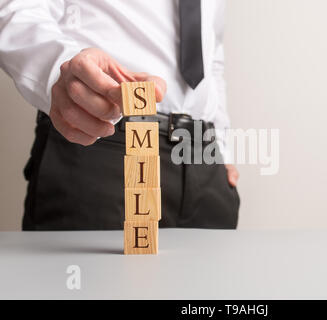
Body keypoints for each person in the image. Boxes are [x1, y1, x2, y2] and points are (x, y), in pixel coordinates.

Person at [0, 0, 240, 230]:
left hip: (204, 157)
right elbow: (16, 8)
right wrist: (59, 71)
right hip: (101, 141)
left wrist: (221, 145)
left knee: (210, 272)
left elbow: (213, 54)